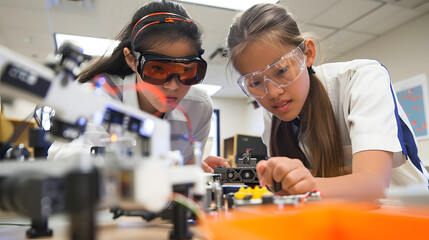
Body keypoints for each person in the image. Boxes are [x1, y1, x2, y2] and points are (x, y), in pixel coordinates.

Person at [205, 3, 429, 200]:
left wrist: (311, 185)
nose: (272, 93)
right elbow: (297, 179)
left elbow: (374, 185)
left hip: (404, 215)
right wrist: (231, 176)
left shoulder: (361, 78)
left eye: (282, 70)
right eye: (255, 83)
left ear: (308, 53)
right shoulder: (274, 113)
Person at [48, 0, 213, 164]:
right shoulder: (96, 96)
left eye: (186, 70)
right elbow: (69, 163)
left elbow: (187, 170)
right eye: (157, 69)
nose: (173, 85)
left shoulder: (199, 106)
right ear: (132, 60)